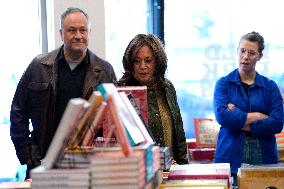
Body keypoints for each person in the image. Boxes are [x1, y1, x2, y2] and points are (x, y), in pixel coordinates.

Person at [10, 7, 117, 179]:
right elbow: (17, 113)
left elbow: (113, 121)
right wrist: (29, 156)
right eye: (71, 30)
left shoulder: (104, 71)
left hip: (88, 167)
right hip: (43, 163)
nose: (78, 35)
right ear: (61, 33)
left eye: (83, 30)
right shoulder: (39, 66)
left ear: (89, 32)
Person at [213, 31, 284, 186]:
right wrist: (259, 116)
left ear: (259, 56)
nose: (245, 56)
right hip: (229, 157)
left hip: (265, 160)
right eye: (242, 51)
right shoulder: (224, 84)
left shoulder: (270, 87)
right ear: (237, 51)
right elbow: (222, 117)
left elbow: (278, 123)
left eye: (251, 53)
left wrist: (238, 118)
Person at [118, 34, 188, 164]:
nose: (142, 66)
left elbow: (179, 133)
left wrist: (184, 166)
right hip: (137, 170)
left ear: (157, 61)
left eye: (148, 60)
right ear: (130, 63)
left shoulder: (167, 87)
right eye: (136, 61)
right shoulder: (121, 91)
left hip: (170, 169)